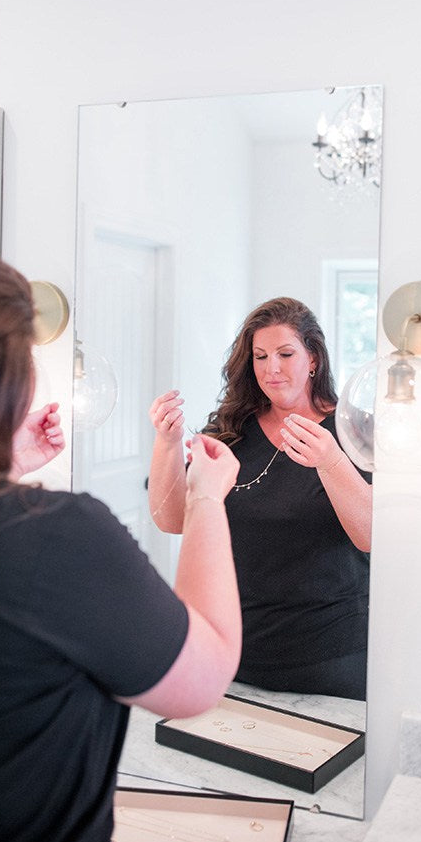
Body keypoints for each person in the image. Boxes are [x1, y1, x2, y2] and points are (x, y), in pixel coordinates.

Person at [0, 251, 241, 842]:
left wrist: (1, 462)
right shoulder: (50, 539)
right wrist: (207, 501)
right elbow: (204, 675)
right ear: (9, 381)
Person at [148, 297, 372, 701]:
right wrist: (166, 443)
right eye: (260, 356)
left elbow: (372, 536)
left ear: (314, 359)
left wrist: (332, 461)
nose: (271, 369)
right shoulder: (232, 429)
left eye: (286, 354)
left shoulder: (353, 431)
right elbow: (173, 520)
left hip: (329, 658)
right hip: (234, 653)